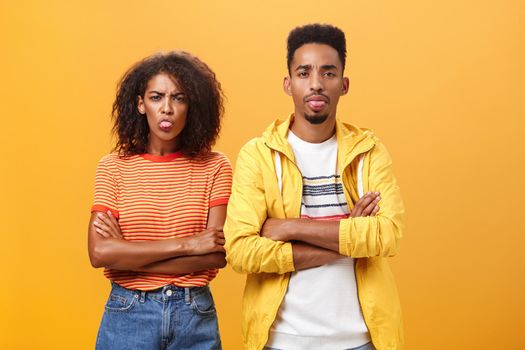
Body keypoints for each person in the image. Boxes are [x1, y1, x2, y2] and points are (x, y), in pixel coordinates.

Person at [224, 24, 405, 350]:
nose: (316, 84)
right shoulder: (258, 154)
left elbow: (387, 234)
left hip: (361, 339)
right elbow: (240, 251)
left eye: (328, 73)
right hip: (281, 340)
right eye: (304, 73)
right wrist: (349, 236)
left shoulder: (369, 151)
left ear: (344, 84)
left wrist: (291, 227)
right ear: (288, 83)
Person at [87, 51, 232, 350]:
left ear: (192, 106)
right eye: (156, 97)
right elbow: (100, 252)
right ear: (140, 104)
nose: (167, 109)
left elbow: (215, 256)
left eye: (179, 98)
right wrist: (188, 244)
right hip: (129, 314)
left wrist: (127, 253)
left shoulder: (215, 167)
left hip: (194, 314)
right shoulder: (114, 166)